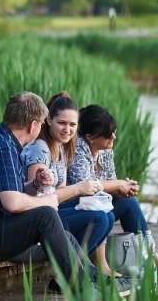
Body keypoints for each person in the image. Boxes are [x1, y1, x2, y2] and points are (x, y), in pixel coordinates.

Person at [0, 92, 124, 295]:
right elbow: (12, 203)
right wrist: (48, 200)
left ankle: (96, 280)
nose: (41, 128)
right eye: (41, 123)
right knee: (46, 215)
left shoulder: (5, 143)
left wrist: (35, 184)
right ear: (33, 125)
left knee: (66, 238)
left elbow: (12, 192)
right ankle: (82, 287)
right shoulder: (1, 148)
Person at [67, 104, 158, 276]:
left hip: (95, 201)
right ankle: (101, 263)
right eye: (108, 134)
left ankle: (150, 253)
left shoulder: (105, 150)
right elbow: (86, 187)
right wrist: (118, 185)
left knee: (128, 201)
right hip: (76, 207)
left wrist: (123, 189)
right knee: (100, 207)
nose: (113, 137)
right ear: (90, 137)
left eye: (113, 131)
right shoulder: (78, 149)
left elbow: (109, 184)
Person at [21, 93, 114, 262]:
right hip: (37, 216)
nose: (67, 129)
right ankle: (70, 272)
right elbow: (36, 198)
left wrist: (86, 196)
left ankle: (77, 268)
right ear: (49, 120)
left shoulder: (62, 148)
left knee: (107, 214)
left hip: (53, 208)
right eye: (62, 123)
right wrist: (79, 188)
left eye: (72, 124)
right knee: (98, 218)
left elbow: (61, 189)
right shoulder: (39, 149)